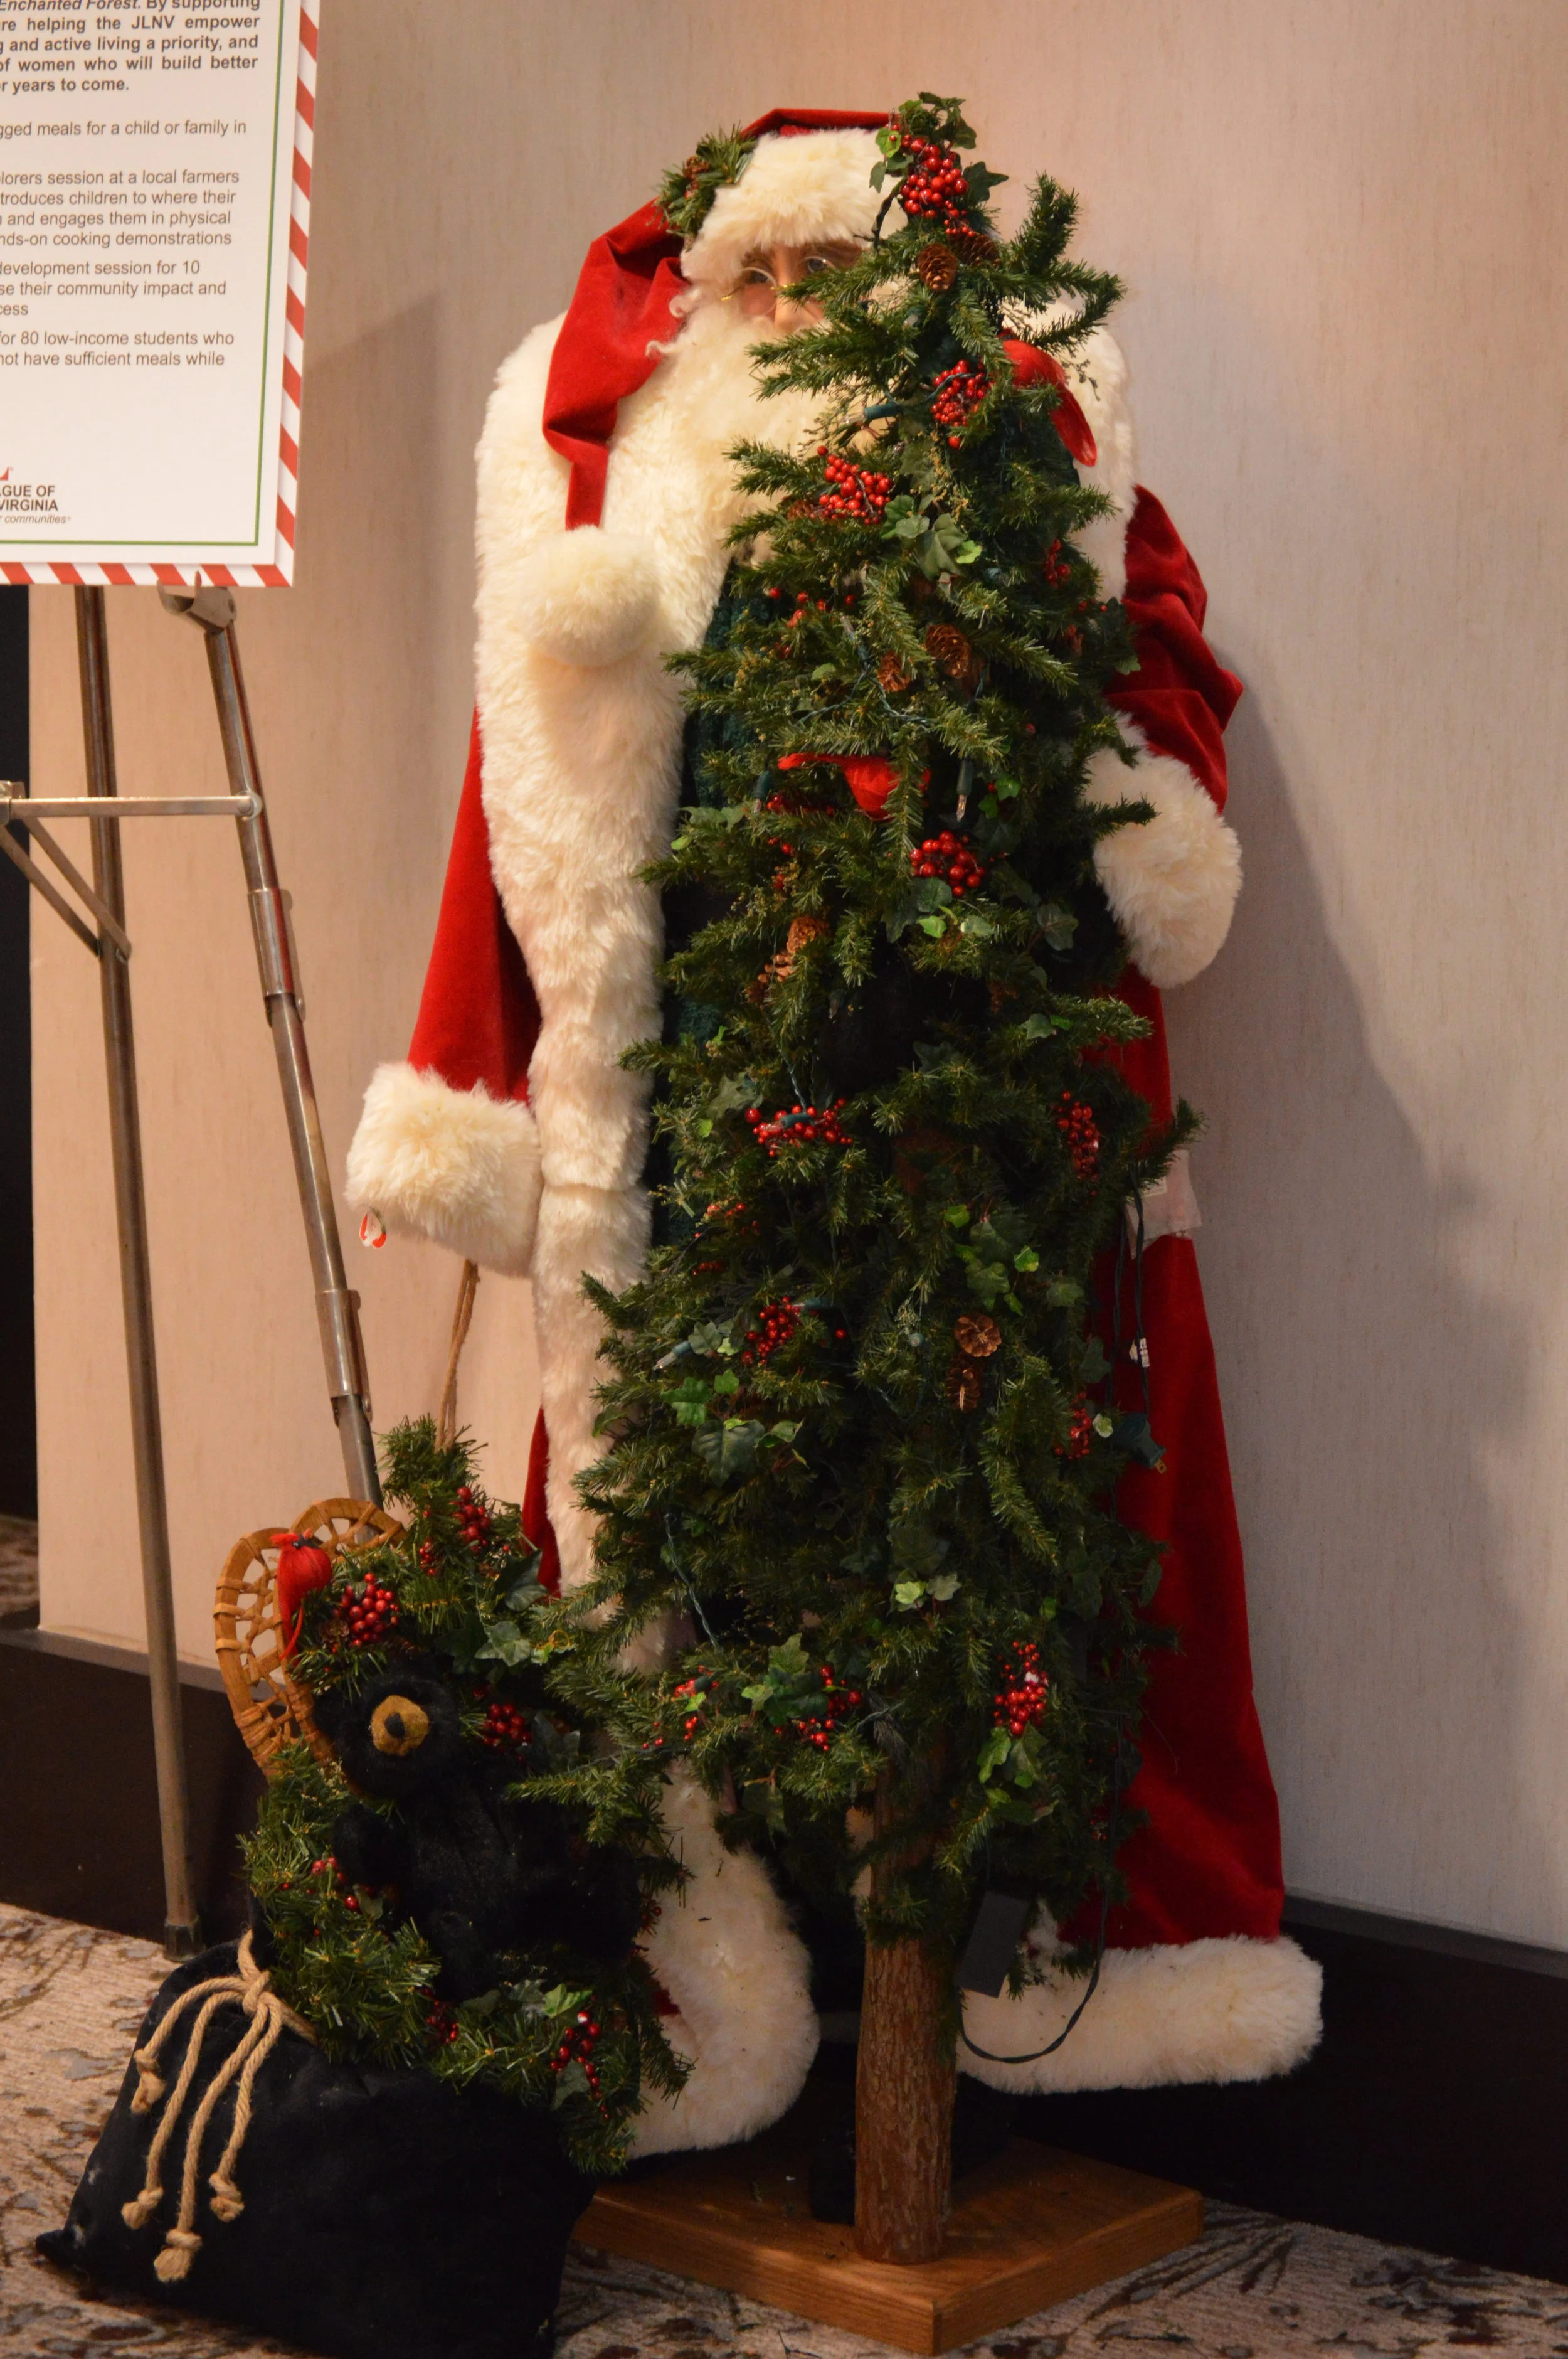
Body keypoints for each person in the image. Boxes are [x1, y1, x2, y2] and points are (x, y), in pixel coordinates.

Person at [347, 112, 1320, 2137]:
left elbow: (1154, 646)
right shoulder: (597, 507)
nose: (790, 317)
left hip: (954, 1130)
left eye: (827, 280)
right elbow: (517, 823)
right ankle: (694, 1982)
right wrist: (476, 1085)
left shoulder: (1024, 464)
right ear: (702, 303)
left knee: (1015, 1525)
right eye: (754, 283)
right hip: (696, 1115)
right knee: (658, 1540)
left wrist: (1151, 797)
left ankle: (1020, 1978)